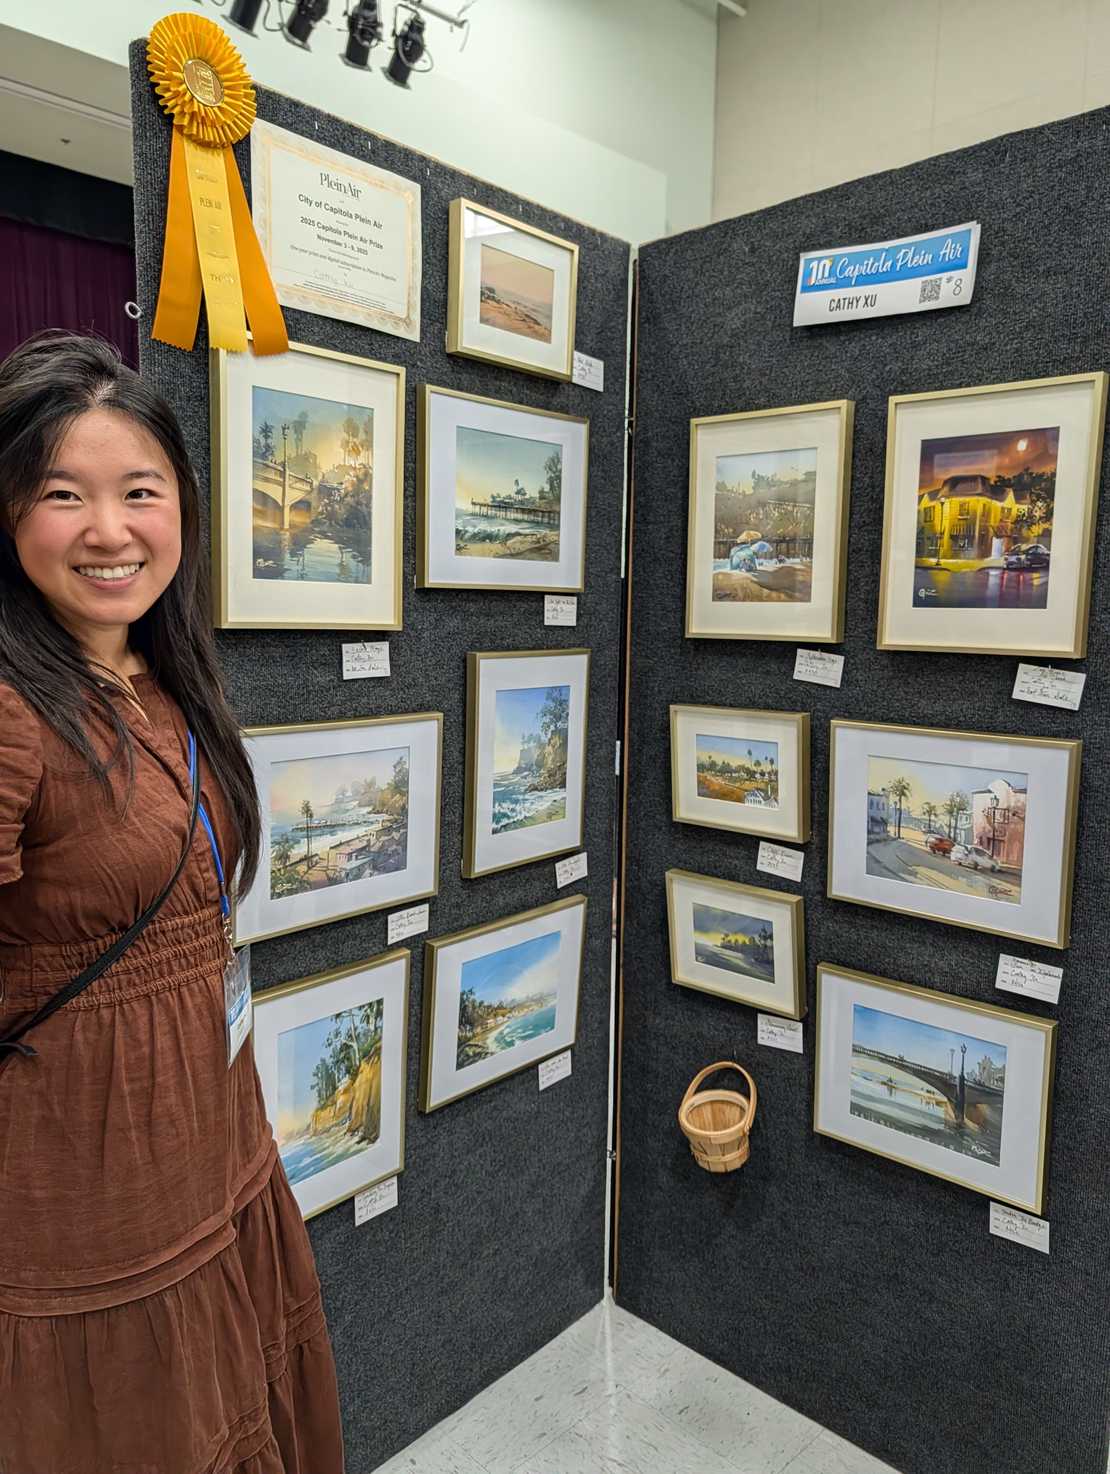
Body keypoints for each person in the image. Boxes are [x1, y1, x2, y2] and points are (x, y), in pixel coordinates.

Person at [0, 332, 346, 1473]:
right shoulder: (11, 711)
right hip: (92, 1207)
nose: (110, 529)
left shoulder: (162, 674)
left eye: (139, 491)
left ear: (183, 507)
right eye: (63, 494)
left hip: (214, 1145)